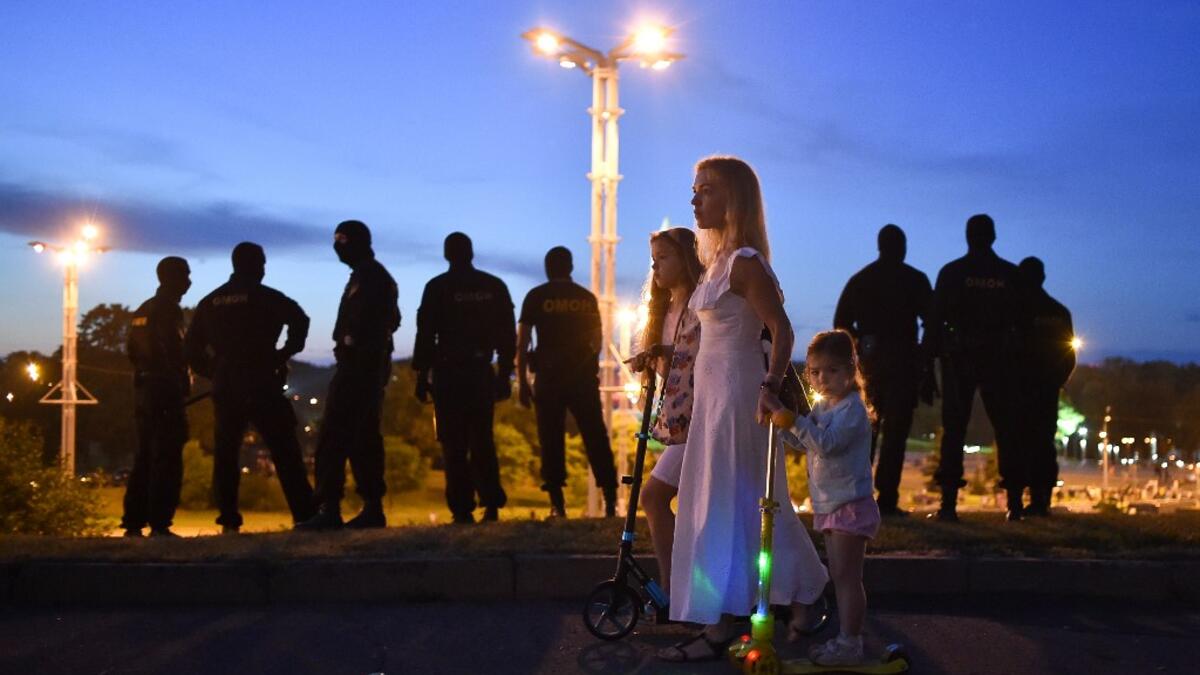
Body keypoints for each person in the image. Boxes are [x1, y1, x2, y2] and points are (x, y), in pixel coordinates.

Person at [659, 156, 827, 662]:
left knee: (745, 497)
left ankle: (740, 612)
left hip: (739, 393)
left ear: (733, 199)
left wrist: (771, 386)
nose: (694, 200)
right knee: (726, 496)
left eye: (705, 190)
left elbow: (782, 330)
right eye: (694, 190)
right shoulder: (716, 263)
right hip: (712, 393)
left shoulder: (745, 262)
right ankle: (778, 597)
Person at [185, 242, 316, 533]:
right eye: (262, 263)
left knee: (226, 453)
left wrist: (215, 371)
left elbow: (191, 349)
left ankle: (228, 518)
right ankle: (305, 514)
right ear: (256, 265)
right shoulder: (266, 297)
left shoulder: (211, 302)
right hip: (262, 381)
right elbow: (300, 319)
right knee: (284, 449)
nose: (264, 268)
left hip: (226, 384)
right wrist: (283, 353)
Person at [785, 330, 880, 666]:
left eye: (832, 370)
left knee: (846, 578)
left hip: (849, 504)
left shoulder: (851, 410)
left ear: (850, 370)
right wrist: (784, 424)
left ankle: (850, 642)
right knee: (840, 575)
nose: (822, 379)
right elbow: (804, 442)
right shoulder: (823, 405)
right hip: (830, 503)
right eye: (814, 372)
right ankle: (845, 639)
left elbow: (827, 443)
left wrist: (795, 423)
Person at [300, 220, 400, 530]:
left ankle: (347, 508)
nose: (337, 246)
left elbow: (388, 320)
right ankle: (344, 507)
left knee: (349, 437)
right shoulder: (363, 275)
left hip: (362, 368)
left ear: (358, 242)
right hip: (358, 367)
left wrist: (353, 342)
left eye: (342, 240)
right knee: (346, 437)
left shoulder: (374, 277)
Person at [412, 232, 515, 524]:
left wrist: (422, 376)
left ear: (447, 255)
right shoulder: (493, 286)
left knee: (453, 443)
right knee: (482, 439)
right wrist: (504, 374)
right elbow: (507, 335)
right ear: (471, 252)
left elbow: (425, 334)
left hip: (448, 375)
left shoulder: (437, 287)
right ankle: (491, 503)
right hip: (480, 371)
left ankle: (461, 508)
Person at [926, 214, 1024, 521]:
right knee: (1007, 428)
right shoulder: (1009, 274)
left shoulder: (953, 273)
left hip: (961, 358)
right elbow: (1022, 323)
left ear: (968, 237)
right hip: (998, 360)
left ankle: (948, 503)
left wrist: (930, 363)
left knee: (954, 429)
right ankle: (1015, 502)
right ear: (994, 237)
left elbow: (933, 323)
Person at [833, 224, 933, 517]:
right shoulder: (914, 280)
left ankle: (862, 495)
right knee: (894, 435)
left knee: (867, 433)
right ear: (901, 247)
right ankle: (887, 499)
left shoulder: (862, 280)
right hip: (901, 364)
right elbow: (931, 321)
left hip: (871, 365)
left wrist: (862, 344)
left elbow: (841, 323)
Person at [627, 227, 704, 598]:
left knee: (657, 497)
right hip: (681, 420)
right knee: (656, 498)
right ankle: (674, 585)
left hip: (702, 418)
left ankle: (680, 588)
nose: (656, 266)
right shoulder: (664, 309)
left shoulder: (700, 304)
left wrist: (665, 352)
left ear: (687, 259)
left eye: (664, 258)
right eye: (653, 260)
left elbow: (699, 358)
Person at [516, 247, 618, 518]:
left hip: (548, 379)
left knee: (550, 438)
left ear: (548, 267)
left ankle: (557, 504)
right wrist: (588, 366)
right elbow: (597, 339)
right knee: (595, 436)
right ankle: (609, 499)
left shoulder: (536, 296)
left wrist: (524, 381)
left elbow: (523, 340)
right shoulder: (586, 298)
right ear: (571, 267)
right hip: (582, 378)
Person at [121, 257, 191, 538]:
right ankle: (160, 523)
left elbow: (132, 350)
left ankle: (133, 521)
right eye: (185, 275)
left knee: (145, 456)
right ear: (171, 278)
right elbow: (173, 350)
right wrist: (179, 378)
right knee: (168, 457)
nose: (189, 281)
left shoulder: (143, 309)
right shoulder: (168, 311)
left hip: (144, 391)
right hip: (164, 392)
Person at [1017, 256, 1075, 517]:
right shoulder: (1059, 312)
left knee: (1020, 442)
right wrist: (1055, 382)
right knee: (1044, 442)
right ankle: (1043, 499)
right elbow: (1069, 357)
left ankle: (1021, 498)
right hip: (1047, 388)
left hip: (1022, 388)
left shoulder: (1016, 311)